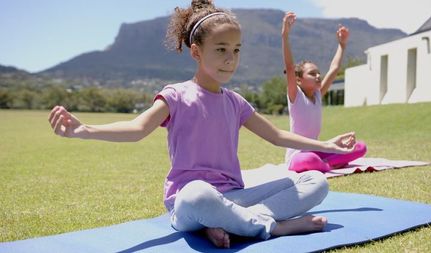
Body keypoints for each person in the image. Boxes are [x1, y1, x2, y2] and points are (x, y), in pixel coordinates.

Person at [48, 1, 357, 248]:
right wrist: (83, 130)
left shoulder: (235, 102)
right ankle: (269, 227)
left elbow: (276, 136)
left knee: (316, 181)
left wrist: (327, 146)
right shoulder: (176, 96)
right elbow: (138, 128)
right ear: (196, 51)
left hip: (233, 197)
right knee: (199, 193)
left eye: (236, 50)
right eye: (220, 49)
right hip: (189, 203)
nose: (230, 59)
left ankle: (226, 223)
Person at [282, 11, 367, 173]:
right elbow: (289, 67)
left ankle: (325, 163)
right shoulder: (295, 95)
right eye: (312, 73)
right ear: (299, 79)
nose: (318, 76)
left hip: (317, 149)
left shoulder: (318, 95)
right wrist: (285, 35)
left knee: (360, 147)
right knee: (309, 159)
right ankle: (328, 165)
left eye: (318, 72)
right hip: (298, 156)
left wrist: (342, 45)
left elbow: (334, 69)